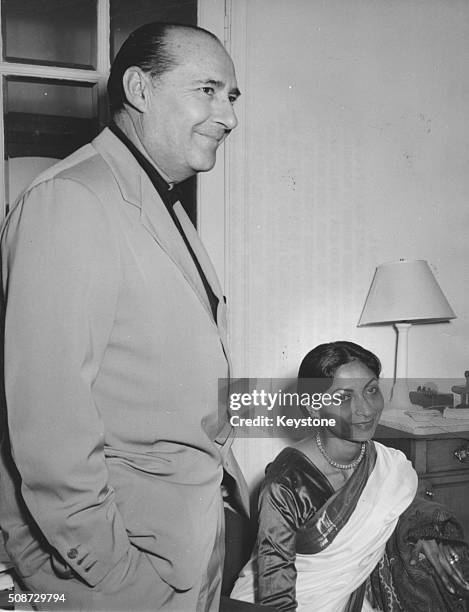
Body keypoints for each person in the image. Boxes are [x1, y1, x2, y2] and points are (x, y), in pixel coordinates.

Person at [0, 22, 249, 611]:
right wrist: (114, 573)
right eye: (208, 90)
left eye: (231, 97)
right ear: (139, 88)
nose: (229, 116)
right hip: (119, 568)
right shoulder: (73, 198)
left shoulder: (156, 198)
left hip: (186, 544)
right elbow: (48, 422)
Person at [231, 341, 469, 611]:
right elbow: (275, 593)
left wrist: (423, 534)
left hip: (351, 596)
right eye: (344, 397)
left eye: (371, 390)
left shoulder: (388, 463)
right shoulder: (286, 481)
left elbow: (403, 509)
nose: (366, 409)